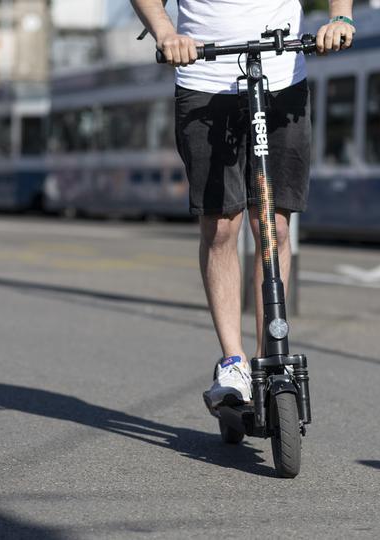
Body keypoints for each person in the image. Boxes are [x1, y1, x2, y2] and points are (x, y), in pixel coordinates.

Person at [130, 0, 355, 413]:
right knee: (220, 227)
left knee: (274, 225)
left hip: (283, 75)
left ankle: (267, 356)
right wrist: (165, 32)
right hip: (203, 77)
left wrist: (340, 17)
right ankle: (233, 362)